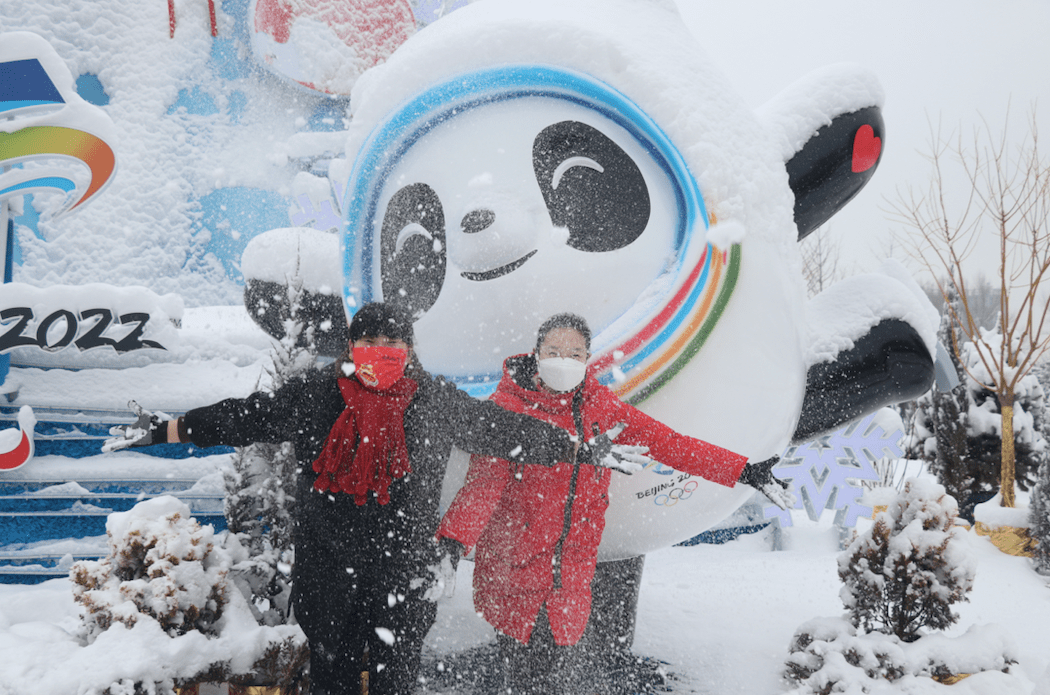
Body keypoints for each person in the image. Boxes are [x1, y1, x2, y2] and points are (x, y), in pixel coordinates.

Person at [104, 302, 612, 695]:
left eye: (393, 339)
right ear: (351, 345)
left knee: (396, 682)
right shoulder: (314, 396)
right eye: (370, 338)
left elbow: (501, 429)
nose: (382, 347)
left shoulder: (433, 401)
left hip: (404, 574)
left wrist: (578, 447)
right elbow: (245, 416)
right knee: (334, 680)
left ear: (409, 348)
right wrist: (169, 428)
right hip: (329, 574)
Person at [435, 312, 791, 694]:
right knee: (529, 673)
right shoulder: (507, 409)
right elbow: (483, 487)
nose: (563, 360)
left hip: (570, 572)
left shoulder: (601, 409)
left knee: (555, 669)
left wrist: (741, 470)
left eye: (574, 353)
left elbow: (669, 444)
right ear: (536, 354)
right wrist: (452, 544)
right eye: (553, 350)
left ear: (587, 359)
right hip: (516, 567)